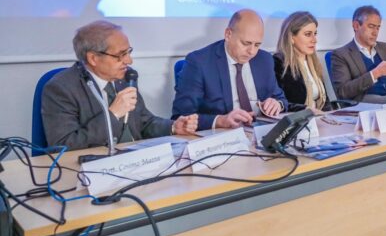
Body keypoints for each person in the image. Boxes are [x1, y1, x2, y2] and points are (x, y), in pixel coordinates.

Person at [42, 21, 198, 151]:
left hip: (136, 161)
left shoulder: (125, 77)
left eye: (128, 52)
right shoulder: (61, 88)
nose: (129, 61)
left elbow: (144, 122)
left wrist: (173, 127)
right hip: (95, 167)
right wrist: (114, 114)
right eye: (121, 55)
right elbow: (64, 145)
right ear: (93, 58)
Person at [172, 9, 288, 130]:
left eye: (257, 45)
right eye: (246, 43)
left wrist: (277, 104)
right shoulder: (200, 62)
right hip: (222, 135)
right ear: (228, 34)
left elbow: (281, 98)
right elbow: (181, 116)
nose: (252, 51)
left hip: (261, 132)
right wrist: (220, 121)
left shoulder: (264, 60)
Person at [329, 5, 386, 102]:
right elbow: (343, 92)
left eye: (378, 28)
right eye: (371, 27)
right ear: (356, 26)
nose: (375, 33)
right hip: (367, 102)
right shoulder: (341, 55)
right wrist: (376, 73)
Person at [274, 11, 329, 113]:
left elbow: (325, 102)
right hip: (297, 119)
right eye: (308, 34)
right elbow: (281, 103)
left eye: (315, 34)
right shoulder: (279, 63)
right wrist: (306, 110)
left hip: (319, 118)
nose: (314, 40)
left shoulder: (313, 62)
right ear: (291, 37)